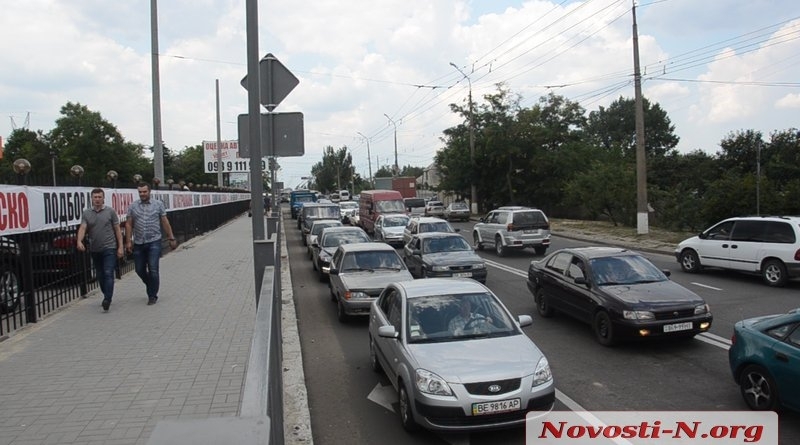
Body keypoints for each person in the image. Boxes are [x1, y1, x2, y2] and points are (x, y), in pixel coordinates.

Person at [125, 182, 178, 305]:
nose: (142, 194)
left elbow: (164, 221)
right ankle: (151, 284)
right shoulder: (133, 206)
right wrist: (128, 241)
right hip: (139, 242)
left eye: (144, 191)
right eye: (140, 192)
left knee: (153, 269)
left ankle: (152, 295)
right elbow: (128, 224)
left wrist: (171, 237)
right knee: (139, 269)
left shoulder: (158, 205)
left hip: (154, 240)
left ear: (149, 192)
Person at [77, 188, 124, 312]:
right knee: (100, 275)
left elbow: (117, 229)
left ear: (103, 198)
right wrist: (79, 241)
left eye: (99, 197)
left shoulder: (110, 212)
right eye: (95, 197)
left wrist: (120, 246)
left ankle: (107, 299)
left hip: (109, 247)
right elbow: (83, 228)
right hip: (95, 249)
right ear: (91, 199)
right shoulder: (87, 213)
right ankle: (106, 293)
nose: (97, 199)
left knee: (108, 272)